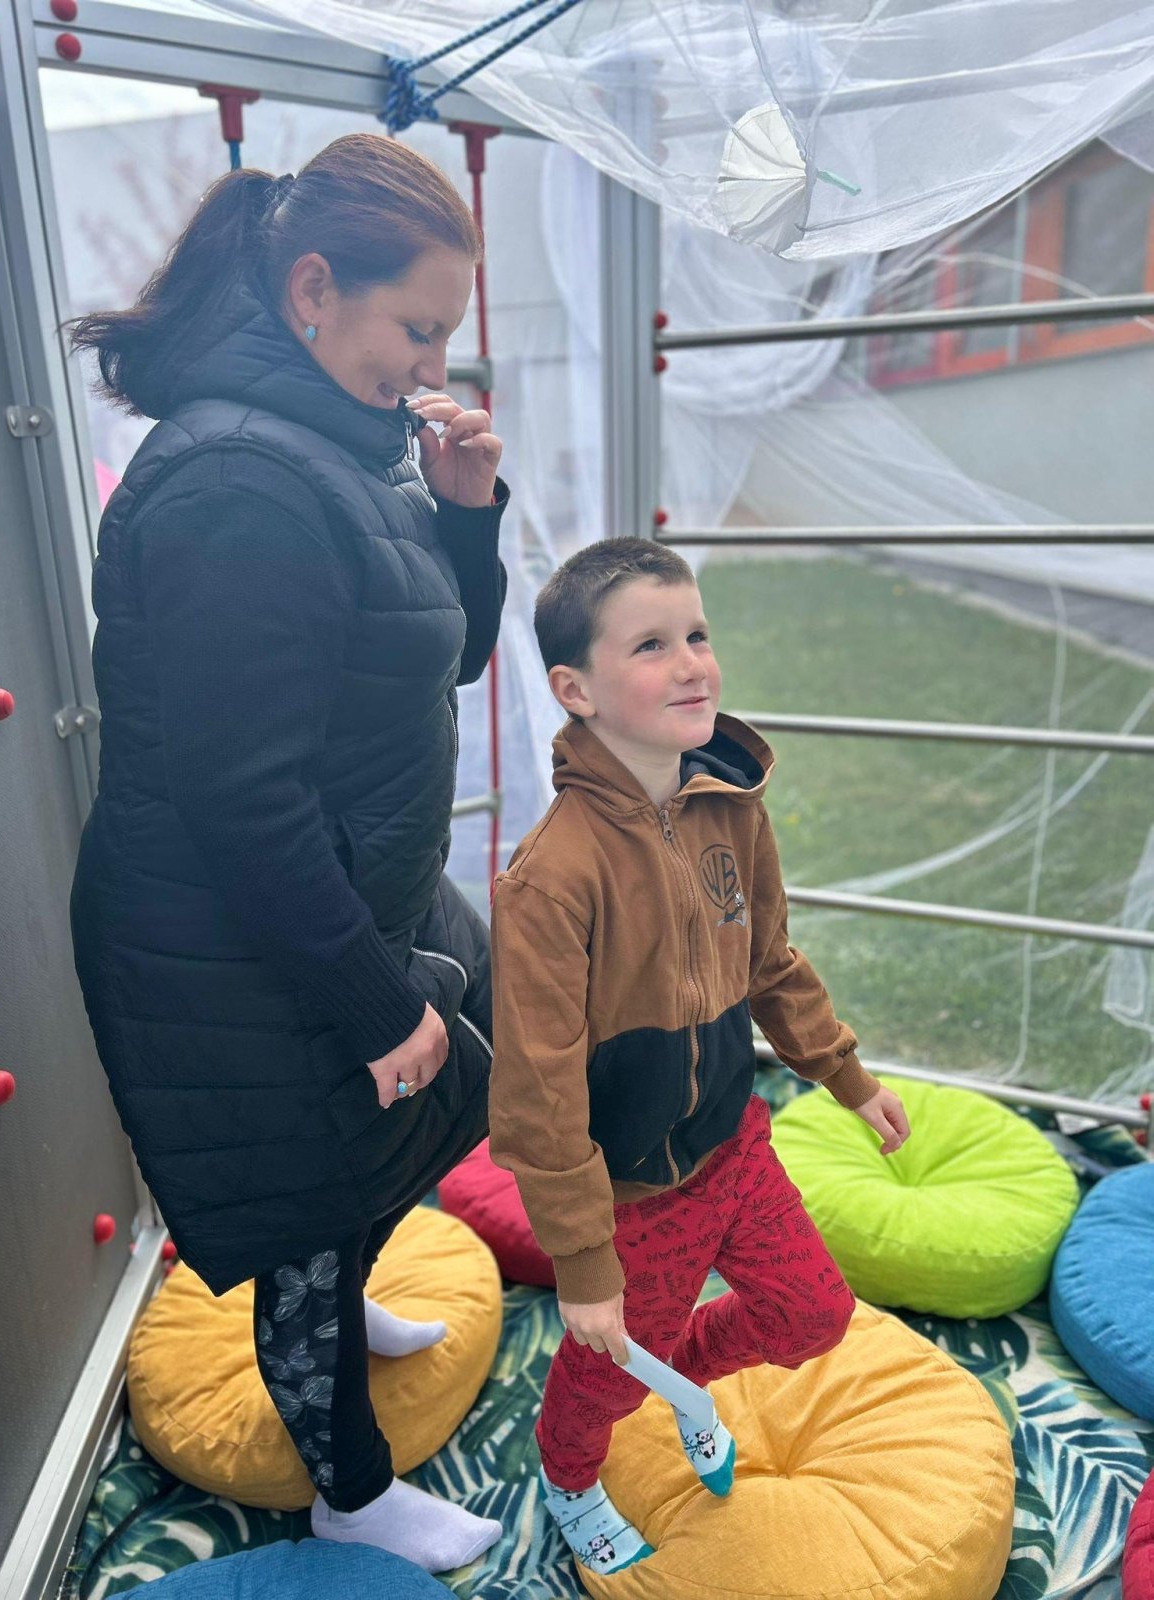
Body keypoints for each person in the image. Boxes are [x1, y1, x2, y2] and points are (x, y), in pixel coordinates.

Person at [68, 134, 509, 1574]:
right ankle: (350, 1492)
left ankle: (346, 1291)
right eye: (416, 329)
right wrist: (374, 1004)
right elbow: (240, 800)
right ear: (313, 290)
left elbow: (442, 657)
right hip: (235, 935)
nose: (432, 365)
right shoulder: (238, 486)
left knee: (382, 1147)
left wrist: (463, 513)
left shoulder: (331, 449)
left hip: (333, 892)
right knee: (310, 1197)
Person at [489, 538, 911, 1574]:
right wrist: (585, 1263)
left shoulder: (734, 806)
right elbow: (539, 1094)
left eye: (697, 634)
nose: (691, 664)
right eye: (651, 645)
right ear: (575, 690)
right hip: (634, 1195)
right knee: (601, 1370)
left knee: (813, 1315)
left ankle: (669, 1373)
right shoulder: (550, 880)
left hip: (736, 1146)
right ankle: (569, 1474)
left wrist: (847, 1077)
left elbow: (770, 961)